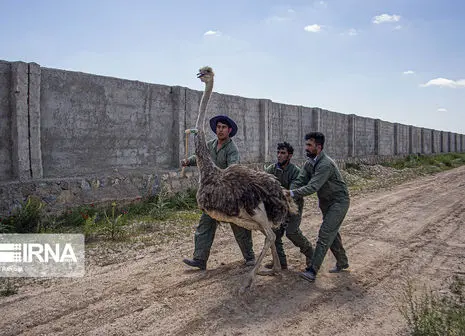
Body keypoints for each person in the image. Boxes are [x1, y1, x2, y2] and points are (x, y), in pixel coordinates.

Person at [182, 115, 255, 270]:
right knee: (206, 223)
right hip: (212, 194)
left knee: (238, 225)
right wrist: (188, 161)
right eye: (218, 127)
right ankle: (200, 259)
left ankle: (250, 258)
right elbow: (201, 156)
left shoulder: (231, 149)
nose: (220, 130)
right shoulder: (210, 144)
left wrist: (223, 179)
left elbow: (233, 168)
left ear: (229, 131)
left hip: (228, 194)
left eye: (223, 128)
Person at [288, 132, 350, 282]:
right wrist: (291, 190)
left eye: (310, 145)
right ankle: (342, 262)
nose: (306, 148)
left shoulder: (325, 164)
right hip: (326, 203)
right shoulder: (310, 163)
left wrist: (291, 193)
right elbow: (301, 179)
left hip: (339, 202)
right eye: (306, 144)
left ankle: (312, 270)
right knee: (332, 234)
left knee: (325, 233)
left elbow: (313, 187)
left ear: (319, 147)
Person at [264, 142, 313, 270]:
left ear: (289, 156)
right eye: (278, 153)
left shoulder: (296, 172)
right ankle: (280, 262)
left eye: (283, 153)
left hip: (293, 206)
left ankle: (311, 255)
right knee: (274, 233)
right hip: (278, 207)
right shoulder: (271, 170)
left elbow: (292, 192)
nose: (279, 155)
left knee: (292, 232)